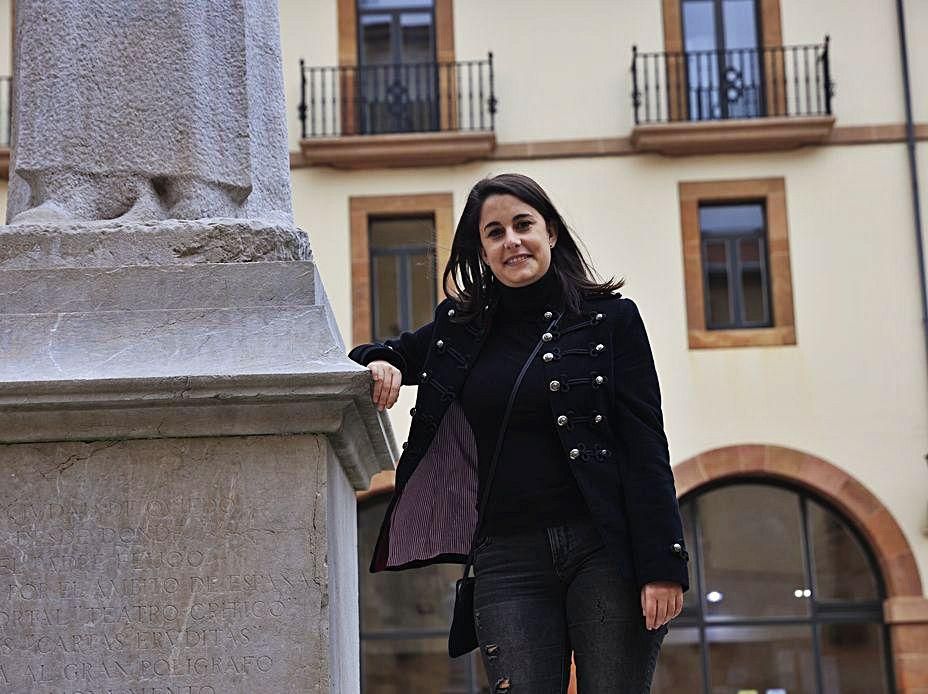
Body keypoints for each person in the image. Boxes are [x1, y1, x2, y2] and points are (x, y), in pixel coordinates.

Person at [349, 173, 688, 692]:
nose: (512, 240)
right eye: (495, 232)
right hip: (507, 559)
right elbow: (385, 352)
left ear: (550, 232)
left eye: (523, 224)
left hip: (604, 549)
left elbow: (645, 442)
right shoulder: (460, 329)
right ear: (482, 251)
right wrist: (380, 363)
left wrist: (664, 564)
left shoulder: (611, 320)